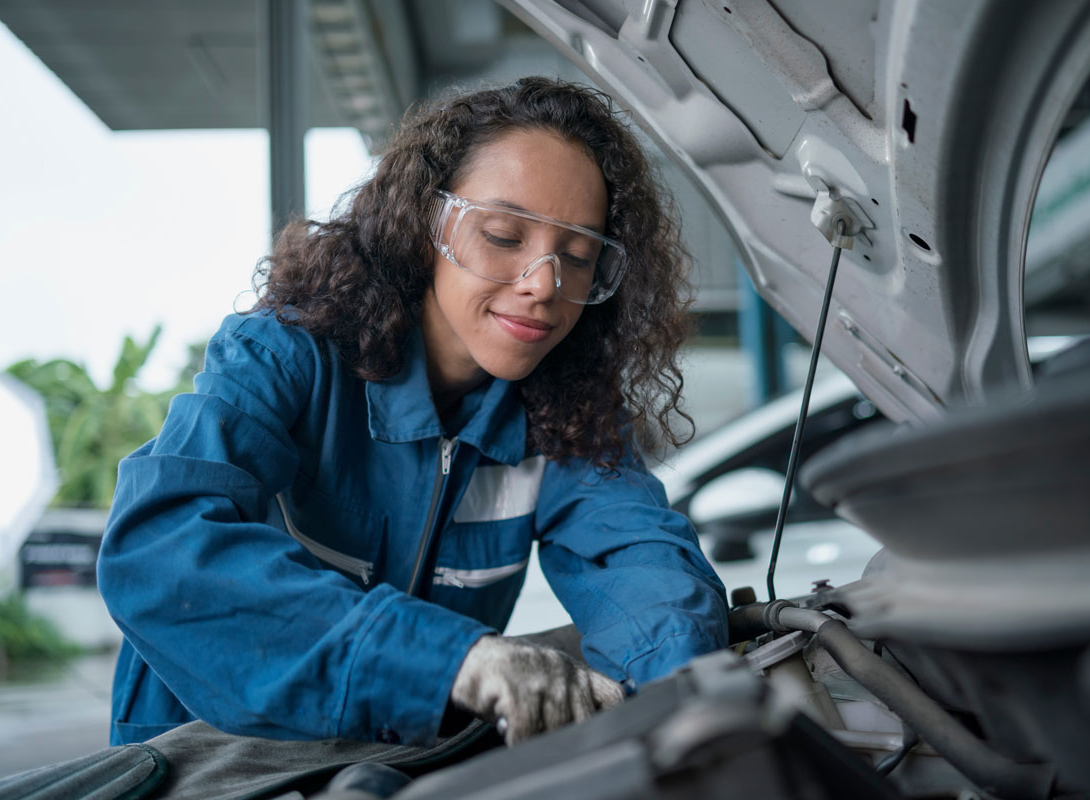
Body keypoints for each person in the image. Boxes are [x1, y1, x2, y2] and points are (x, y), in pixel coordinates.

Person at [96, 77, 729, 749]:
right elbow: (159, 550)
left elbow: (638, 558)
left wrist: (683, 694)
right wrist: (453, 659)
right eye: (504, 236)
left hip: (388, 768)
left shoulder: (566, 411)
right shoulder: (284, 357)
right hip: (213, 757)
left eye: (577, 257)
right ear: (424, 223)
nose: (545, 284)